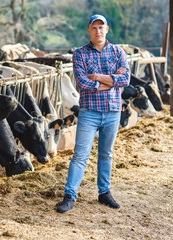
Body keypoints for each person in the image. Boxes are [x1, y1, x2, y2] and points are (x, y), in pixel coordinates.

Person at [56, 14, 130, 213]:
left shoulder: (118, 52)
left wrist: (98, 77)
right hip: (89, 112)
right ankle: (70, 196)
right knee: (80, 155)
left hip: (113, 111)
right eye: (94, 27)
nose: (98, 31)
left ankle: (104, 193)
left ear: (107, 29)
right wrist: (110, 82)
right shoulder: (80, 54)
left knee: (106, 154)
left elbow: (125, 80)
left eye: (101, 27)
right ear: (89, 30)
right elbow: (82, 83)